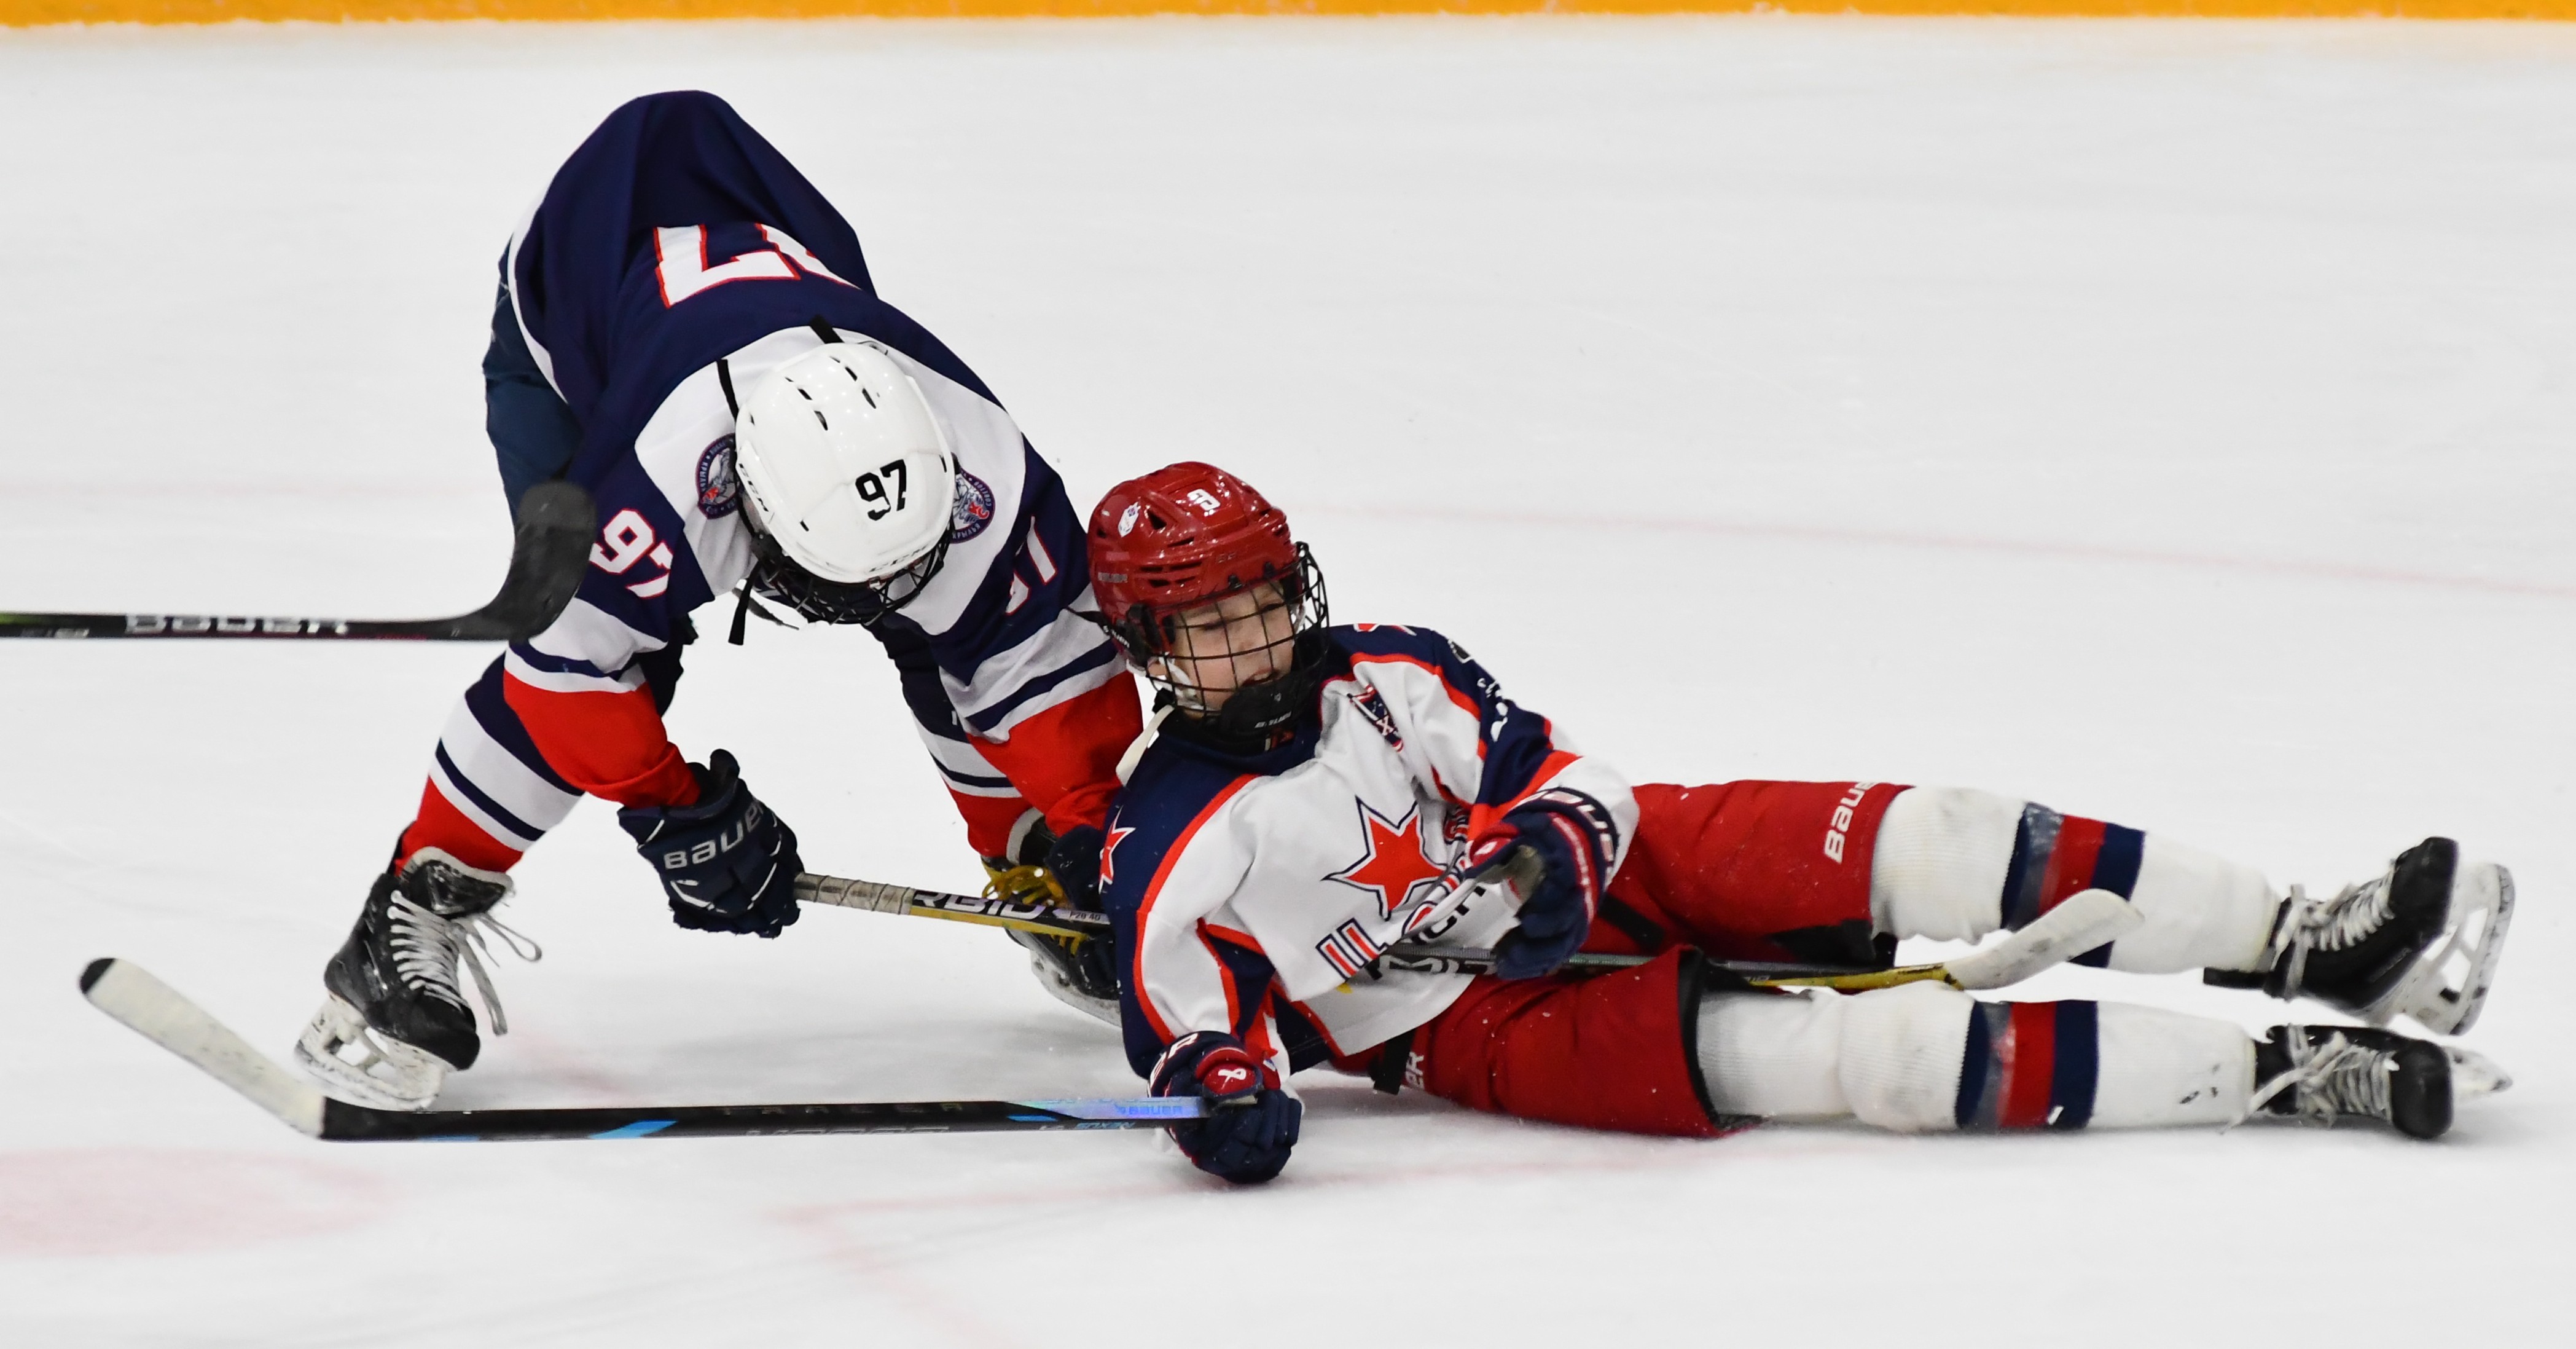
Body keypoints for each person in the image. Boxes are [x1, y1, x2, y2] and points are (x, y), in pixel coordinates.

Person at [1084, 462, 2515, 1184]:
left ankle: (2309, 937)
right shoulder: (1168, 844)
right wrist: (1224, 1110)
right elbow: (1192, 1041)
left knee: (1943, 831)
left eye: (1266, 600)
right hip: (1462, 1026)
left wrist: (1546, 856)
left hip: (1607, 875)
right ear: (1154, 643)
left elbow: (1560, 780)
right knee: (1866, 1057)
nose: (1254, 640)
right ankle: (2285, 1072)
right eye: (1210, 624)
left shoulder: (1387, 668)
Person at [296, 92, 1139, 1109]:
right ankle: (414, 903)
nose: (866, 598)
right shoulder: (658, 482)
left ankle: (1029, 875)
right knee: (623, 659)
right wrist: (675, 808)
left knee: (962, 630)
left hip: (776, 307)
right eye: (839, 577)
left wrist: (1092, 832)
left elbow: (1035, 662)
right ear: (750, 509)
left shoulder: (981, 465)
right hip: (573, 329)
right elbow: (563, 671)